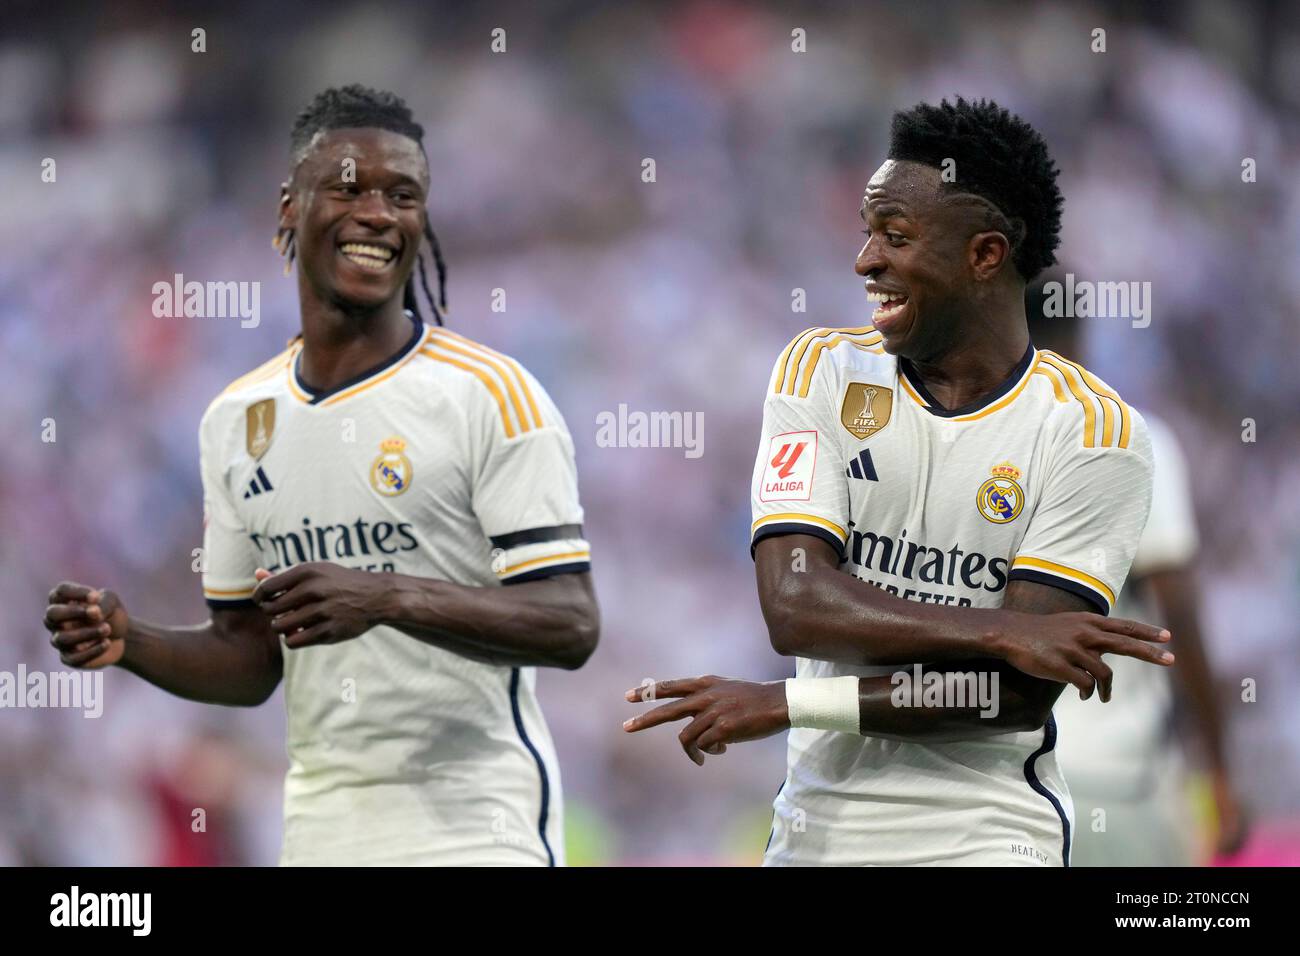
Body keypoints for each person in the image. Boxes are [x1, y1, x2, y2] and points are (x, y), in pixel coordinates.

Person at [45, 85, 599, 866]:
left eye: (402, 195)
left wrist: (387, 595)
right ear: (288, 208)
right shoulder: (236, 420)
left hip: (478, 833)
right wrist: (131, 641)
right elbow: (247, 660)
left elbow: (571, 624)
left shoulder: (491, 394)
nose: (378, 212)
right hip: (318, 839)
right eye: (348, 187)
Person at [625, 98, 1170, 866]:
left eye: (896, 236)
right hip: (817, 834)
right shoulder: (820, 369)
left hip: (989, 836)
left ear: (984, 256)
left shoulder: (1094, 434)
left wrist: (788, 703)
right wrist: (997, 628)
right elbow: (795, 606)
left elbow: (1008, 697)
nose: (865, 260)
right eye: (866, 231)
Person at [1028, 278, 1249, 865]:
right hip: (1117, 781)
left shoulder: (968, 450)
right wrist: (1220, 771)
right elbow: (1178, 613)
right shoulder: (1128, 439)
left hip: (1001, 784)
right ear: (1081, 331)